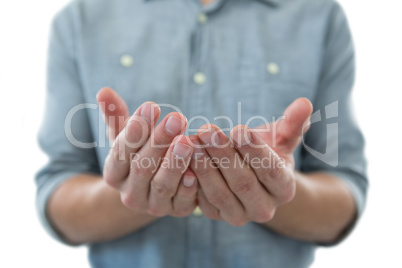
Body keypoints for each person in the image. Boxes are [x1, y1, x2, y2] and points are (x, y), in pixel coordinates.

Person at [35, 0, 368, 267]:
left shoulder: (319, 16)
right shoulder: (80, 19)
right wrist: (134, 189)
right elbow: (57, 193)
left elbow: (345, 192)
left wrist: (273, 185)